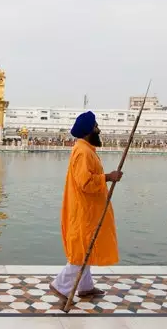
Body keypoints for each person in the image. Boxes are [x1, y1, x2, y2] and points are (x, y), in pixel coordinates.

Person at [50, 111, 123, 301]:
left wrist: (107, 177)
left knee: (88, 247)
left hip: (88, 209)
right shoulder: (83, 152)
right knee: (82, 250)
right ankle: (61, 286)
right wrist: (108, 177)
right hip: (84, 210)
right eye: (96, 125)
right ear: (88, 130)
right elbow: (85, 182)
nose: (98, 128)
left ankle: (85, 286)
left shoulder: (86, 149)